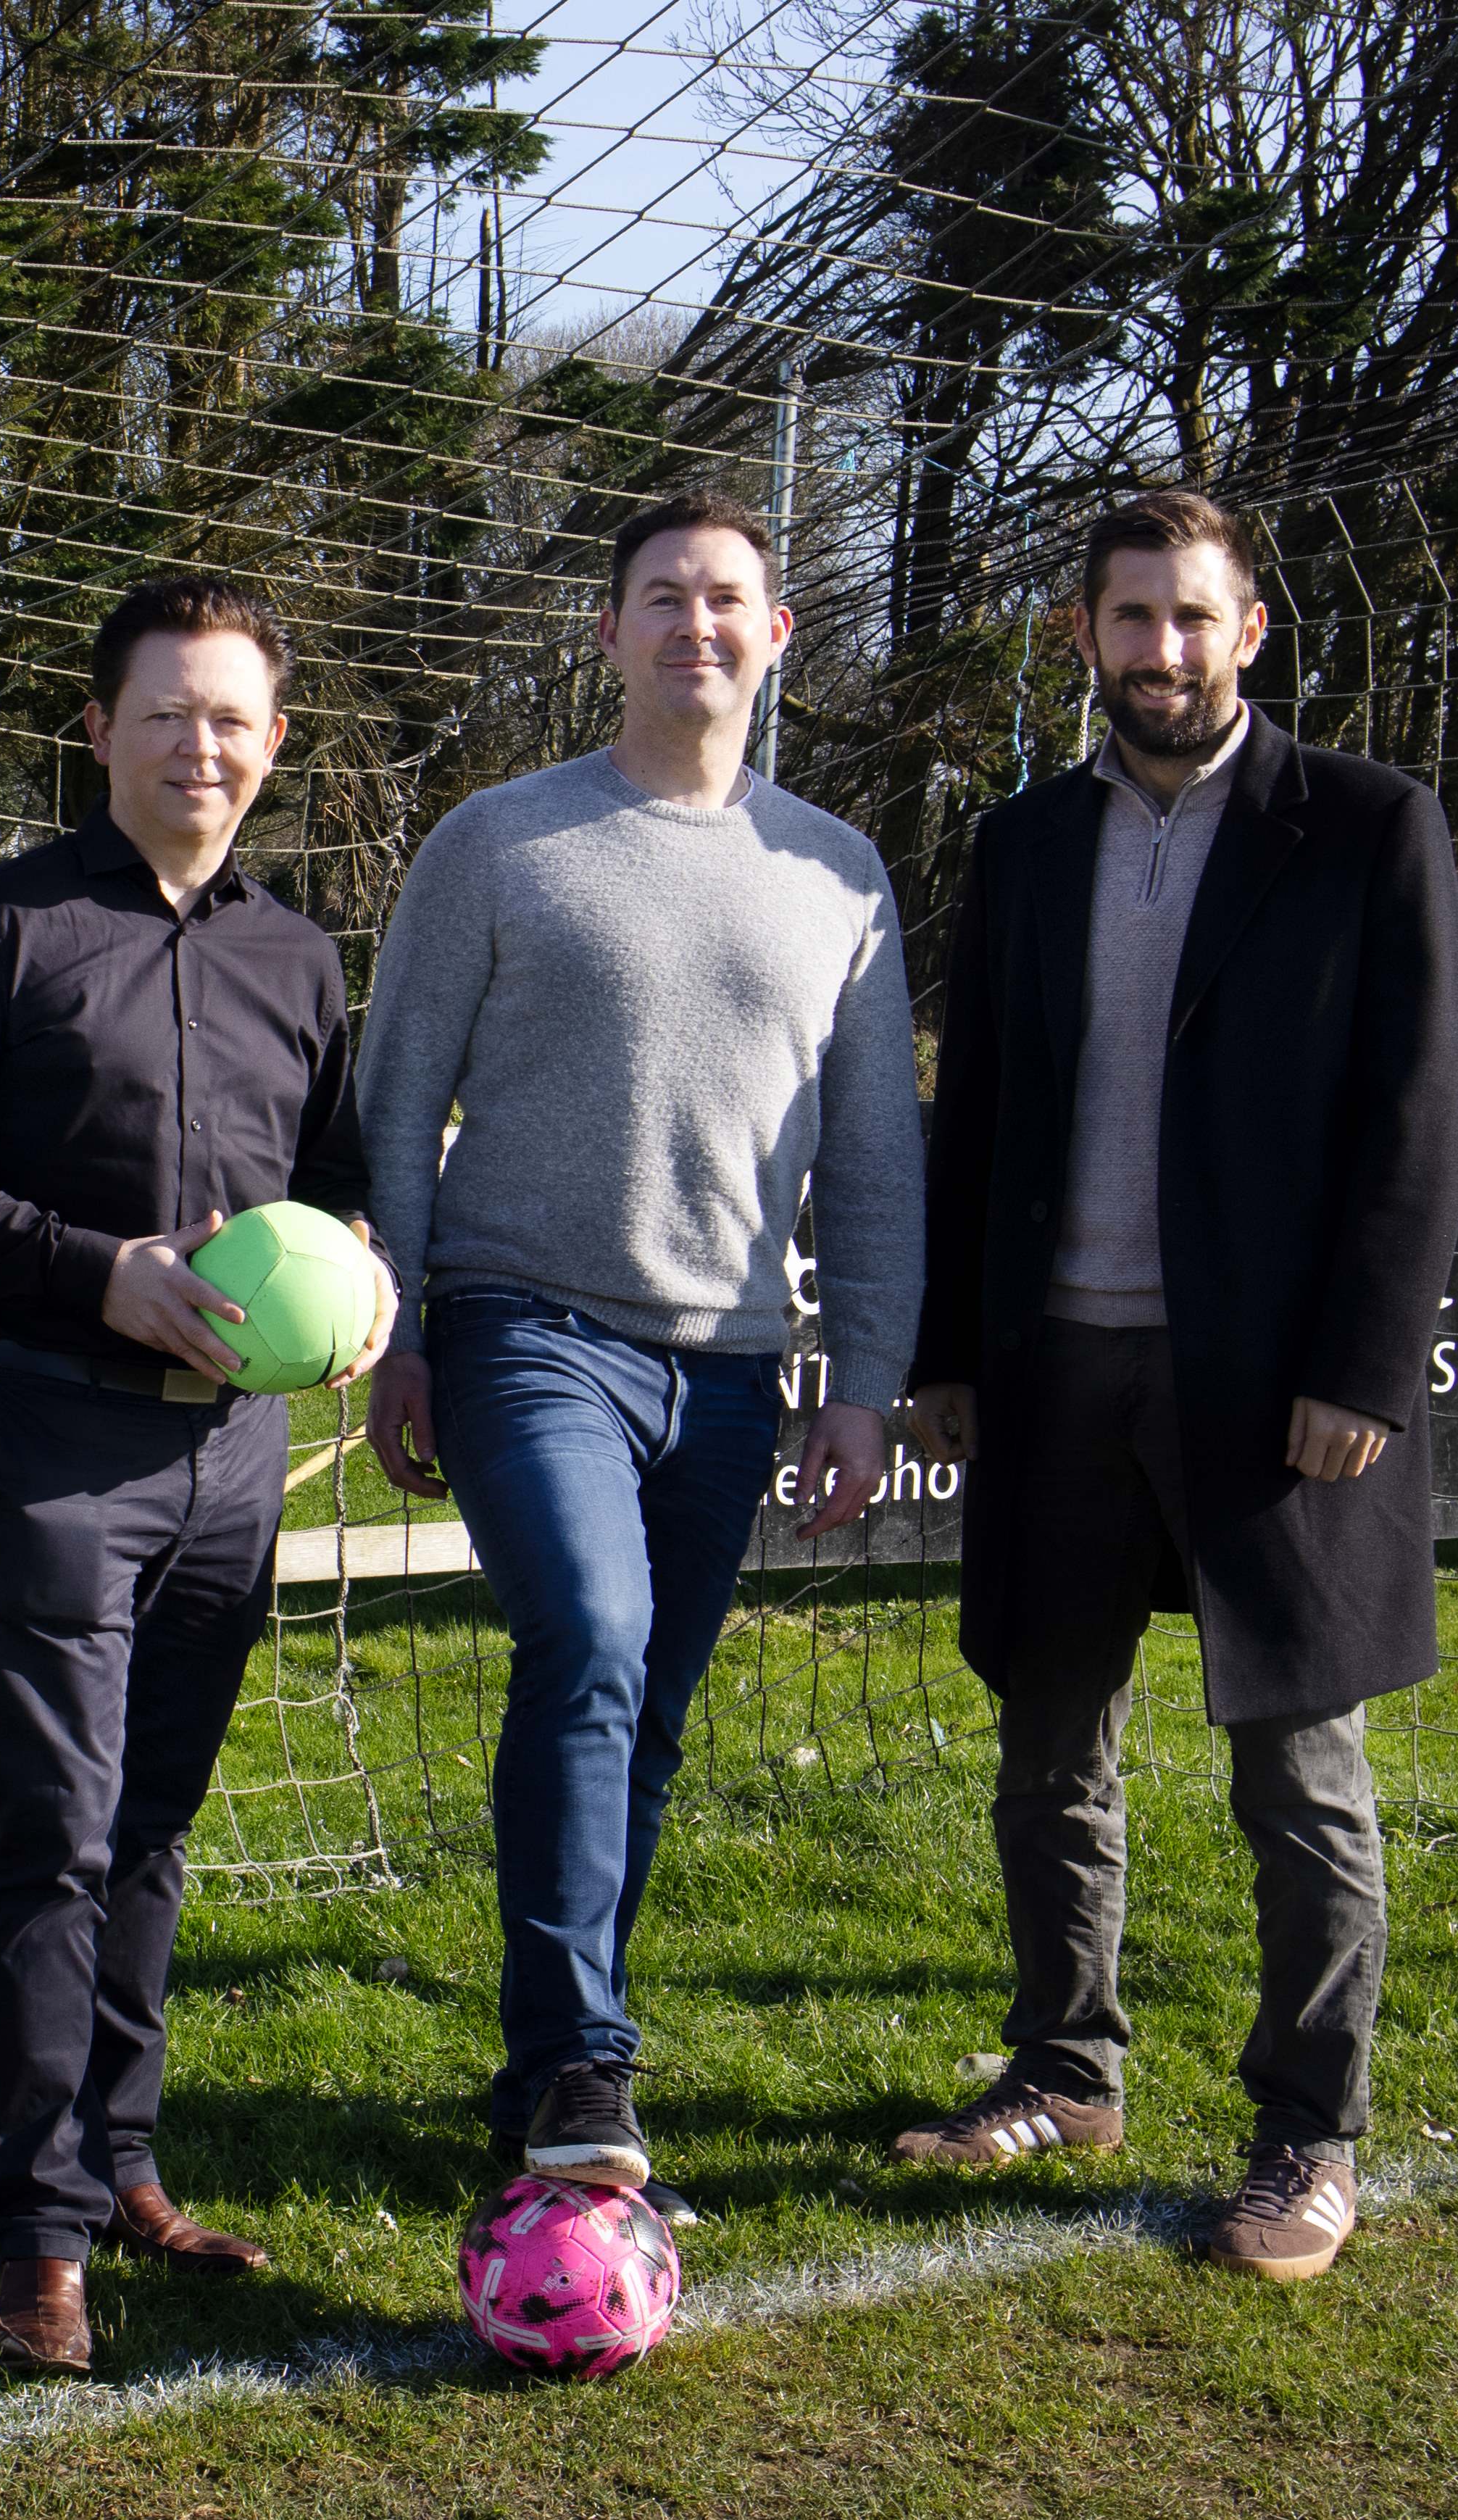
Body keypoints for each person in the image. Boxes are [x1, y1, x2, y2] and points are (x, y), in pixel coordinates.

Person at [895, 489, 1458, 2282]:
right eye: (1130, 615)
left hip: (1271, 1384)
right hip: (1053, 1365)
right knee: (1045, 1746)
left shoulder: (1364, 824)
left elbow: (1419, 1114)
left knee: (1297, 1773)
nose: (1161, 648)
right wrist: (942, 1344)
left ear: (1250, 631)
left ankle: (1308, 2129)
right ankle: (1062, 2068)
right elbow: (975, 1104)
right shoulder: (1021, 842)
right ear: (1081, 633)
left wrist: (1359, 1363)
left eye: (1192, 615)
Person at [0, 573, 394, 2379]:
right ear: (98, 729)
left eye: (229, 717)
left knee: (150, 1823)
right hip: (48, 1434)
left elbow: (340, 1174)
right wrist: (98, 1272)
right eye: (164, 712)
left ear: (273, 742)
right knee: (50, 1831)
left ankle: (124, 2159)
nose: (196, 745)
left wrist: (360, 1278)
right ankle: (37, 2235)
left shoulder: (298, 956)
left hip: (232, 1458)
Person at [359, 490, 923, 2197]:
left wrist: (862, 1380)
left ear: (776, 635)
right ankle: (577, 2058)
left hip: (731, 1363)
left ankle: (554, 2057)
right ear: (605, 633)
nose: (694, 621)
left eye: (725, 597)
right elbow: (394, 1099)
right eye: (660, 596)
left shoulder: (835, 872)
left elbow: (872, 1158)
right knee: (589, 1636)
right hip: (525, 1325)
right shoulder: (496, 840)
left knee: (647, 1713)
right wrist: (400, 1325)